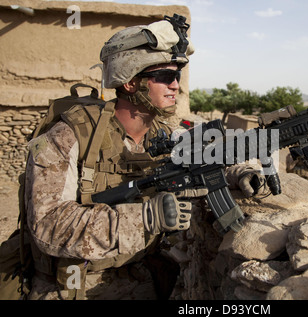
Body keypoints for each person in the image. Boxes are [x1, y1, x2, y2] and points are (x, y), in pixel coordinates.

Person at [23, 16, 265, 300]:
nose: (175, 85)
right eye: (164, 77)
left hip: (142, 279)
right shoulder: (70, 136)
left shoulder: (163, 134)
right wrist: (146, 217)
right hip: (74, 286)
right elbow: (49, 225)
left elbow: (204, 162)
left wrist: (240, 172)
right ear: (130, 82)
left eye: (177, 76)